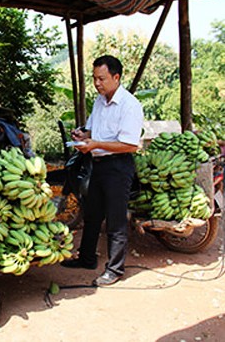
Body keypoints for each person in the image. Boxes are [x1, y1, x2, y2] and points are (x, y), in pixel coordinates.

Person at [61, 55, 144, 286]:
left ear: (116, 77)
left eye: (102, 79)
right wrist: (83, 135)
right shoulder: (99, 101)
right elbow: (93, 131)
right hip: (97, 165)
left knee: (116, 220)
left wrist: (96, 144)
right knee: (93, 214)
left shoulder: (130, 105)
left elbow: (130, 144)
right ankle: (87, 258)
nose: (97, 83)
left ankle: (115, 269)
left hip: (118, 167)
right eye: (95, 78)